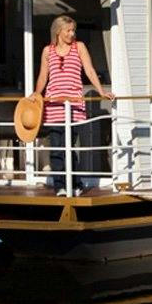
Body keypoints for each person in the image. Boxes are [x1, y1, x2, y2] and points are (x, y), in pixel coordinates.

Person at [31, 13, 112, 192]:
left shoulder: (79, 47)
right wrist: (36, 94)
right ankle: (60, 185)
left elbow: (90, 71)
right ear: (58, 31)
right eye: (68, 30)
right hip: (54, 105)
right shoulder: (48, 51)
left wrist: (102, 91)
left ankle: (75, 184)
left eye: (73, 30)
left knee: (69, 146)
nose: (72, 34)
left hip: (73, 104)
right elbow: (43, 76)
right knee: (57, 148)